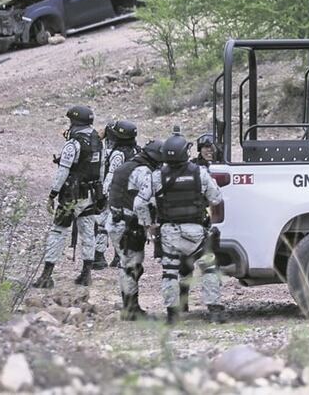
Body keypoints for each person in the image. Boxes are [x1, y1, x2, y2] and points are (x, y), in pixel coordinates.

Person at [134, 134, 225, 324]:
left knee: (169, 272)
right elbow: (216, 198)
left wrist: (149, 224)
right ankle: (214, 311)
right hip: (197, 233)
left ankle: (172, 315)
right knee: (209, 269)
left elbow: (139, 204)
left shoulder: (157, 176)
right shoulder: (199, 173)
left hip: (169, 233)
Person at [33, 105, 104, 289]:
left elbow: (63, 170)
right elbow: (101, 169)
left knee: (58, 231)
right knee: (88, 232)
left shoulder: (73, 143)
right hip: (90, 194)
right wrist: (100, 192)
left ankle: (46, 276)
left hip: (71, 195)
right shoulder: (97, 140)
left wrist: (52, 194)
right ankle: (86, 274)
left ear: (73, 121)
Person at [106, 138, 163, 320]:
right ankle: (131, 309)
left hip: (117, 221)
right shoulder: (143, 171)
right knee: (132, 266)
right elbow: (141, 203)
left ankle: (129, 306)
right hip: (128, 225)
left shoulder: (127, 166)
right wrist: (149, 224)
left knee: (128, 266)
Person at [95, 119, 139, 270]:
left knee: (102, 223)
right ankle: (119, 256)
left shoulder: (118, 154)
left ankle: (99, 256)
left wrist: (103, 193)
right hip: (131, 194)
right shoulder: (136, 151)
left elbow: (112, 174)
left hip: (117, 193)